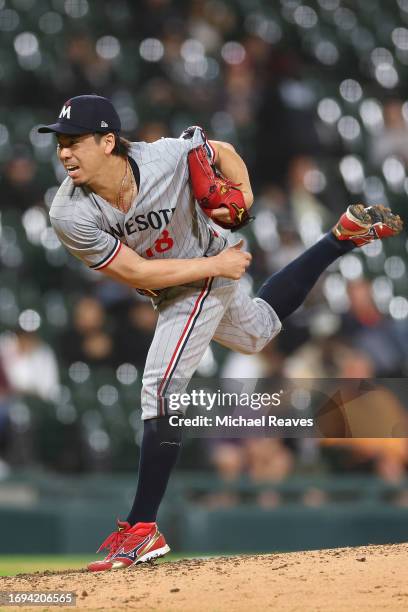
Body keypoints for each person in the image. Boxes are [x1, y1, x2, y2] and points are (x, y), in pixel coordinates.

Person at [38, 94, 402, 572]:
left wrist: (244, 198)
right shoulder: (69, 212)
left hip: (203, 273)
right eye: (60, 142)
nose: (64, 152)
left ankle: (142, 527)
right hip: (180, 276)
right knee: (257, 333)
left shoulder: (163, 155)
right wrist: (220, 263)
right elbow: (138, 274)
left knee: (161, 388)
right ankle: (341, 238)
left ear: (108, 142)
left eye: (74, 141)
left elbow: (220, 150)